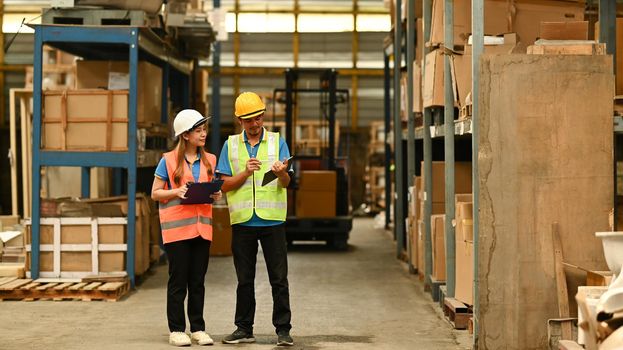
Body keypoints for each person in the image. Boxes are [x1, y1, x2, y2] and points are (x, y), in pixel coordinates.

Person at [217, 92, 294, 346]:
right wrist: (244, 173)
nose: (255, 124)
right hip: (243, 222)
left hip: (272, 221)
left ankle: (283, 330)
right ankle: (243, 328)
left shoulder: (277, 142)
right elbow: (224, 186)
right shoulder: (230, 145)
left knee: (279, 279)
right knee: (244, 280)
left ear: (263, 116)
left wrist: (282, 173)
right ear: (240, 120)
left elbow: (286, 183)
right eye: (249, 120)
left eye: (258, 118)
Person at [151, 109, 222, 347]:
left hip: (202, 229)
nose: (204, 134)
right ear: (185, 135)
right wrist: (176, 191)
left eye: (204, 130)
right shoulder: (168, 160)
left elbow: (212, 192)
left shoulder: (210, 160)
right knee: (178, 280)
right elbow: (155, 193)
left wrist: (217, 194)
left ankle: (198, 328)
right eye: (198, 131)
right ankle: (177, 329)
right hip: (177, 231)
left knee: (198, 281)